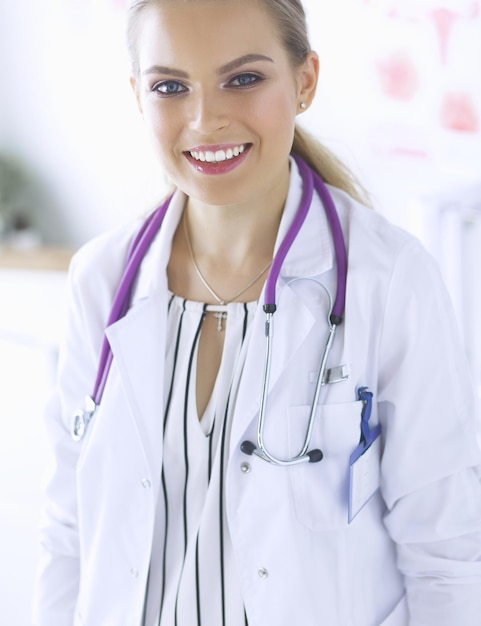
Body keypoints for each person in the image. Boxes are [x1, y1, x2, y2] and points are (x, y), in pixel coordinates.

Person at [33, 0, 481, 624]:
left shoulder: (391, 281)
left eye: (243, 79)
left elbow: (447, 560)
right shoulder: (101, 280)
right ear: (138, 96)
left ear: (305, 82)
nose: (204, 118)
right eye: (169, 86)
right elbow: (68, 535)